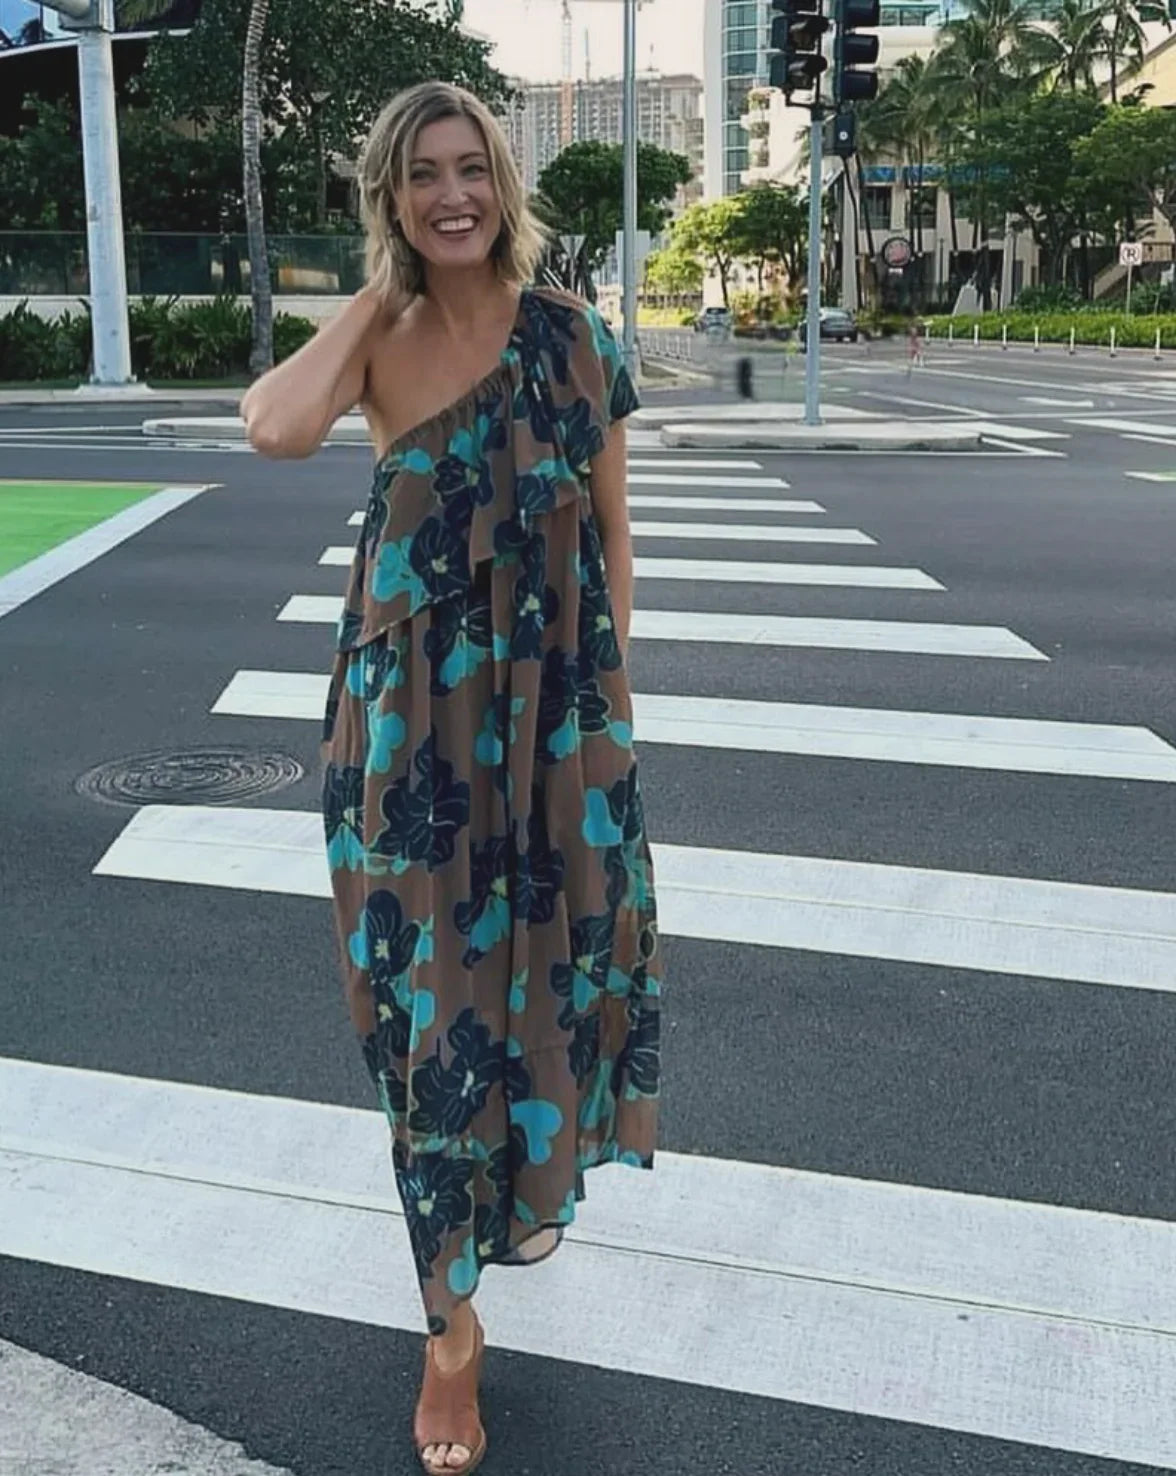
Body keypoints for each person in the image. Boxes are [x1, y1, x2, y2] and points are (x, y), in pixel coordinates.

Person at [240, 81, 661, 1476]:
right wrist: (378, 292)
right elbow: (272, 427)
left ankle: (517, 1196)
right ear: (392, 195)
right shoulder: (383, 341)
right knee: (428, 1025)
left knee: (544, 983)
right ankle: (450, 1332)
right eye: (421, 175)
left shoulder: (572, 339)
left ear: (504, 180)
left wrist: (608, 718)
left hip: (552, 724)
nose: (452, 194)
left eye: (470, 167)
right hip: (408, 740)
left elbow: (610, 537)